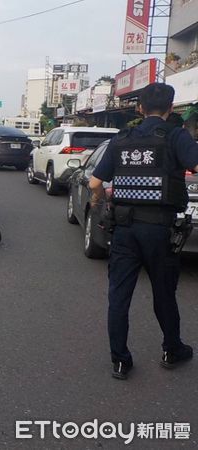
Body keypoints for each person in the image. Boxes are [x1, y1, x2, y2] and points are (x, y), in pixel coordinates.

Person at [89, 83, 198, 380]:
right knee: (164, 292)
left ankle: (120, 361)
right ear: (171, 108)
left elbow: (95, 183)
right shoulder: (176, 136)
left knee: (119, 295)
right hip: (159, 230)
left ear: (139, 108)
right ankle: (171, 350)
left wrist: (100, 202)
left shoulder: (121, 139)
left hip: (123, 230)